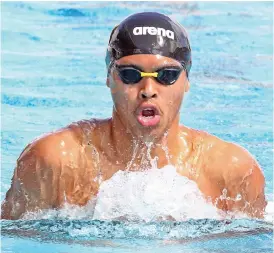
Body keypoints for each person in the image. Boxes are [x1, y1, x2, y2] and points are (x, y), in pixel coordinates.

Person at [1, 12, 267, 220]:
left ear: (187, 79)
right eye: (130, 74)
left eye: (167, 76)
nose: (148, 90)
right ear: (108, 77)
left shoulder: (233, 170)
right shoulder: (54, 160)